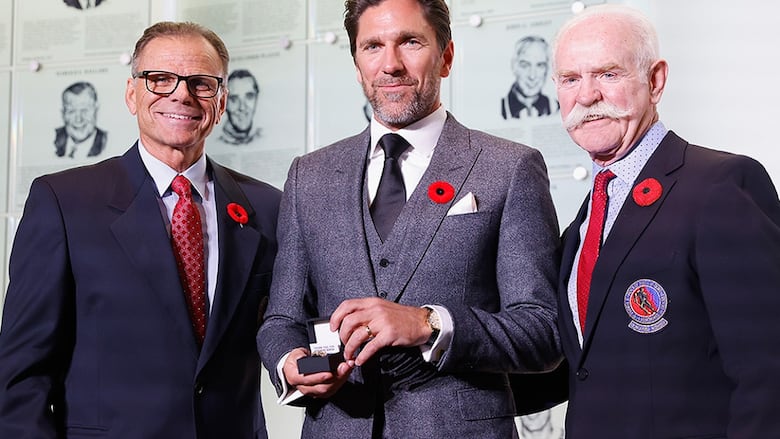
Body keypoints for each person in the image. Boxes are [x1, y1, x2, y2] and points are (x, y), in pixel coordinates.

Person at [257, 0, 561, 437]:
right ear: (357, 64)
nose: (390, 64)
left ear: (447, 56)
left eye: (410, 42)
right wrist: (291, 363)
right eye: (372, 46)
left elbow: (542, 330)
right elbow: (281, 318)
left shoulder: (509, 168)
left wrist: (430, 324)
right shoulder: (310, 175)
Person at [0, 21, 281, 439]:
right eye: (160, 79)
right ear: (132, 94)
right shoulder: (64, 201)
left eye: (201, 84)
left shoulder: (267, 206)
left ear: (220, 103)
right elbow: (21, 378)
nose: (181, 94)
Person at [552, 5, 780, 437]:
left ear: (654, 81)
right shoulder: (586, 220)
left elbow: (768, 374)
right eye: (570, 79)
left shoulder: (719, 187)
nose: (586, 96)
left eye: (608, 74)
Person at [501, 35, 557, 120]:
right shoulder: (500, 109)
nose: (532, 76)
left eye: (540, 65)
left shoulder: (556, 108)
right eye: (525, 65)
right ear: (514, 66)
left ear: (547, 69)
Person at [54, 81, 107, 159]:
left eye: (84, 110)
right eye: (71, 111)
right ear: (63, 113)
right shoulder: (51, 139)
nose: (78, 119)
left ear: (96, 110)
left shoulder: (107, 141)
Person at [219, 69, 262, 145]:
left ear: (256, 98)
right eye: (234, 99)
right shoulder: (216, 142)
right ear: (223, 102)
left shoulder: (264, 137)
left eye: (249, 97)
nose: (242, 107)